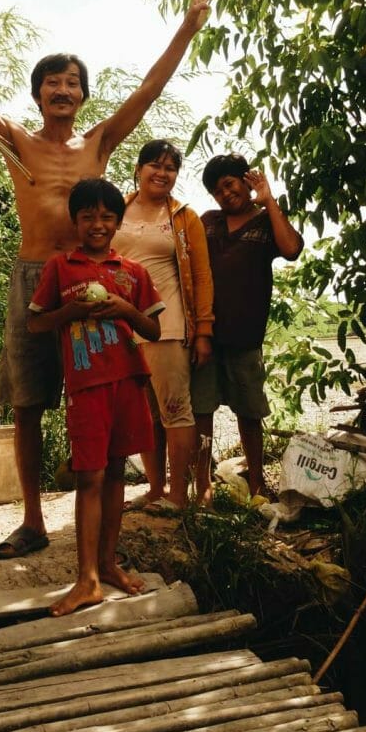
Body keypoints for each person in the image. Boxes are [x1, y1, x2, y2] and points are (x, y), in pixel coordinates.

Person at [0, 0, 210, 558]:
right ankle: (34, 519)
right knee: (29, 402)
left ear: (83, 94)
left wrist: (188, 29)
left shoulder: (101, 141)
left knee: (106, 392)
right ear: (38, 93)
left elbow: (148, 89)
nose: (62, 91)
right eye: (52, 82)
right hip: (37, 279)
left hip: (96, 282)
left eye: (72, 83)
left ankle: (108, 516)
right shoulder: (16, 141)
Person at [27, 179, 164, 616]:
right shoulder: (60, 268)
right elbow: (36, 324)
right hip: (86, 387)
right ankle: (85, 578)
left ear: (118, 222)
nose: (98, 224)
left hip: (130, 381)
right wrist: (72, 312)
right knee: (89, 477)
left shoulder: (134, 273)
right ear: (76, 221)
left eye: (107, 217)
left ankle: (107, 565)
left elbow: (153, 330)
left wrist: (125, 310)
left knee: (118, 473)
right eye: (88, 216)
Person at [191, 154, 304, 498]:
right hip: (204, 336)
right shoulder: (207, 222)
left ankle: (256, 481)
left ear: (245, 182)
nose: (225, 194)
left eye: (229, 184)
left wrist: (269, 200)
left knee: (249, 412)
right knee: (202, 411)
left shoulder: (265, 223)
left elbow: (292, 249)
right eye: (217, 190)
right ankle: (203, 485)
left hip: (245, 338)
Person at [114, 140, 214, 509]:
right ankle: (155, 489)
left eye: (170, 168)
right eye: (155, 165)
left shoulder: (184, 218)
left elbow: (202, 276)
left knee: (175, 410)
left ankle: (178, 495)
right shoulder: (115, 208)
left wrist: (203, 330)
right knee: (142, 414)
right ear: (138, 169)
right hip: (121, 327)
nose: (162, 173)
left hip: (169, 324)